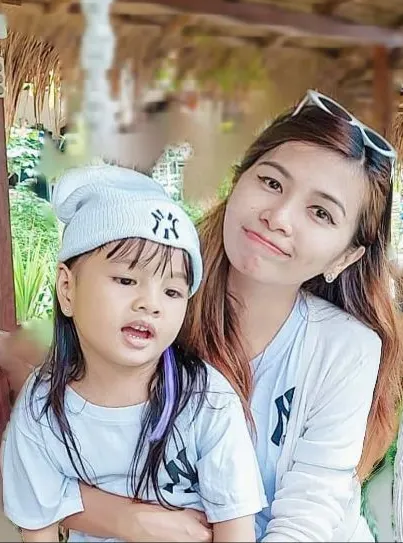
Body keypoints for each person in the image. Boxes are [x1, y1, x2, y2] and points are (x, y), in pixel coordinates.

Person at [1, 89, 402, 542]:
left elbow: (308, 514)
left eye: (321, 212)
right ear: (238, 182)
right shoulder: (157, 306)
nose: (279, 216)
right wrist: (122, 519)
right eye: (272, 182)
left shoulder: (345, 348)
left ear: (344, 258)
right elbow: (45, 449)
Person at [1, 165, 266, 543]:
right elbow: (37, 528)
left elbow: (235, 530)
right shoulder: (42, 408)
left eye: (173, 292)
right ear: (67, 288)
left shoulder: (208, 401)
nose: (150, 304)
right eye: (126, 280)